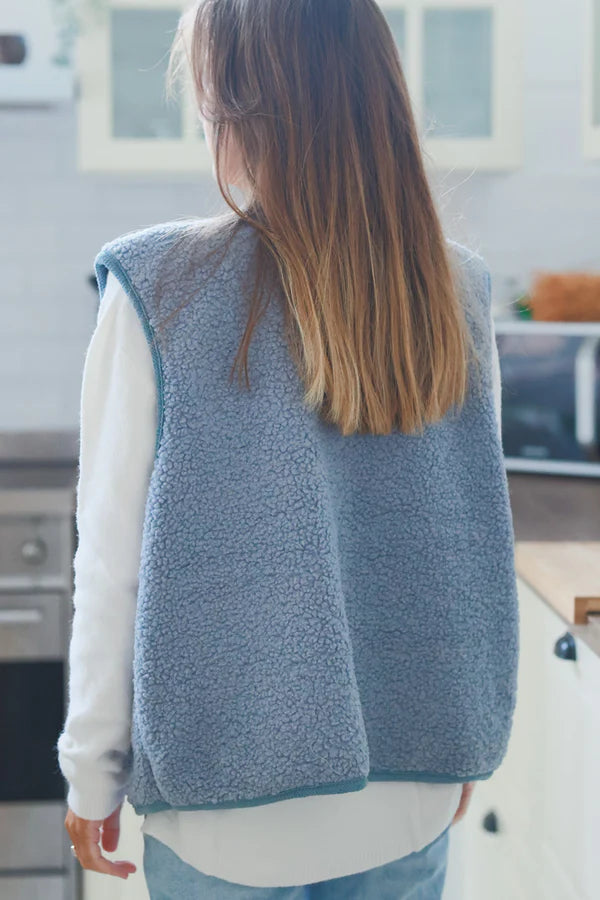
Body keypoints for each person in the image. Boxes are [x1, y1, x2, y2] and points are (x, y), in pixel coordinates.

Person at [56, 0, 519, 897]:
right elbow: (467, 544)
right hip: (410, 793)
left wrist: (90, 770)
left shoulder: (161, 290)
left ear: (229, 103)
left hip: (228, 810)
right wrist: (457, 730)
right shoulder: (455, 289)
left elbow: (112, 567)